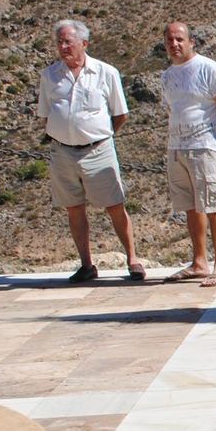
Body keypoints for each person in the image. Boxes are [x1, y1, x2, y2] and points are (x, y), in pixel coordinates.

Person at [37, 19, 145, 283]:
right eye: (60, 42)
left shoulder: (106, 72)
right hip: (63, 152)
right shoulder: (49, 76)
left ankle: (132, 259)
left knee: (115, 206)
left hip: (98, 150)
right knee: (74, 208)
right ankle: (86, 264)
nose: (63, 47)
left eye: (68, 42)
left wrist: (97, 137)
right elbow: (45, 115)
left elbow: (120, 115)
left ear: (83, 43)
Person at [158, 22, 216, 287]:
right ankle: (199, 261)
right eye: (170, 40)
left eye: (180, 39)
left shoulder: (208, 68)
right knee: (191, 206)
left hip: (204, 146)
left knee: (213, 205)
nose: (174, 44)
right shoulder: (167, 76)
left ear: (191, 41)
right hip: (177, 147)